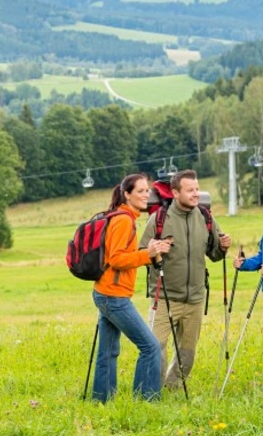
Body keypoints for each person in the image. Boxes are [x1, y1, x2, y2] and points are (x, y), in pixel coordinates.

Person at [139, 169, 231, 389]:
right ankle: (151, 392)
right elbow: (142, 253)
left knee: (187, 354)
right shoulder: (159, 219)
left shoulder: (206, 218)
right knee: (156, 349)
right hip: (164, 298)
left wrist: (223, 247)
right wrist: (155, 250)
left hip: (195, 299)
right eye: (190, 190)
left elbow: (215, 255)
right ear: (175, 192)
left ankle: (172, 390)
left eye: (197, 189)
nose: (196, 194)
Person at [92, 173, 170, 403]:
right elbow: (116, 259)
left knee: (107, 352)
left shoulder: (123, 217)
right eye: (140, 191)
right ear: (127, 194)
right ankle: (145, 401)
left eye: (147, 190)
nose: (146, 195)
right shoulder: (124, 220)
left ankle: (101, 401)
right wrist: (149, 254)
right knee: (151, 347)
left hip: (105, 292)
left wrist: (148, 252)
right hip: (114, 297)